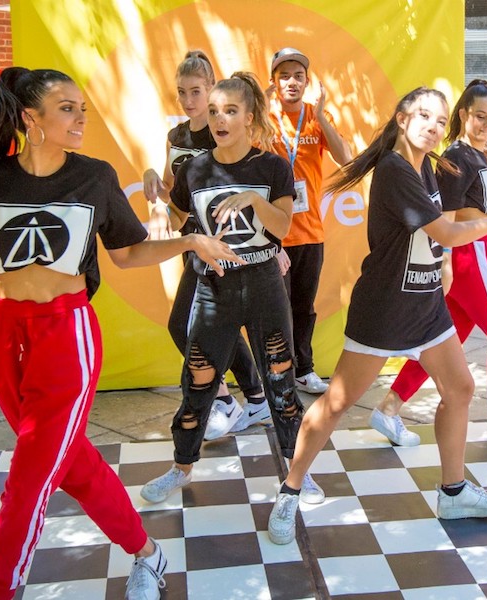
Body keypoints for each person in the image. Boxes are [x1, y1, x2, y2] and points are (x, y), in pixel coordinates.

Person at [0, 67, 240, 600]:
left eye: (82, 107)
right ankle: (148, 554)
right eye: (67, 108)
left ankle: (0, 588)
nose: (81, 117)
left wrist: (190, 243)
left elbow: (129, 253)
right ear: (29, 117)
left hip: (66, 333)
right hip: (0, 332)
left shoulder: (93, 177)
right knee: (70, 463)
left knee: (28, 480)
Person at [266, 86, 487, 546]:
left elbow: (435, 237)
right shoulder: (395, 170)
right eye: (424, 115)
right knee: (336, 403)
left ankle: (454, 490)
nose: (433, 126)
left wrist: (444, 265)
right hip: (384, 309)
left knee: (460, 388)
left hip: (425, 306)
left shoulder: (430, 167)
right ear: (402, 118)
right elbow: (444, 229)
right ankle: (289, 490)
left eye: (440, 121)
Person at [140, 72, 324, 506]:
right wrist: (153, 185)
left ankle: (298, 475)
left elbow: (281, 227)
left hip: (264, 286)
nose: (220, 119)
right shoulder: (196, 168)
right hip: (214, 288)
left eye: (231, 110)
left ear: (250, 117)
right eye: (216, 110)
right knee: (198, 383)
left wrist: (253, 200)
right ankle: (181, 467)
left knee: (281, 383)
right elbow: (180, 218)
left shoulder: (272, 167)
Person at [370, 79, 487, 447]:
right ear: (464, 115)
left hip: (478, 254)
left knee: (441, 342)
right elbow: (446, 215)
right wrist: (452, 257)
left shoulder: (472, 155)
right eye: (480, 116)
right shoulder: (457, 156)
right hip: (472, 256)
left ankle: (389, 407)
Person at [142, 50, 270, 441]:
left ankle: (226, 398)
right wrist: (151, 181)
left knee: (188, 326)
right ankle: (252, 397)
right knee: (206, 326)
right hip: (191, 242)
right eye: (182, 92)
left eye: (196, 91)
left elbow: (255, 183)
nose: (189, 100)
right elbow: (172, 191)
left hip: (224, 243)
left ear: (213, 88)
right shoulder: (176, 136)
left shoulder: (225, 132)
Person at [266, 47, 353, 394]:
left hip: (310, 232)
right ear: (274, 82)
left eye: (298, 75)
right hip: (274, 234)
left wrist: (322, 116)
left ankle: (304, 369)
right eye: (284, 75)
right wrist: (258, 106)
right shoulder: (263, 119)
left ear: (307, 81)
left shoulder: (317, 118)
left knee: (304, 308)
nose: (291, 82)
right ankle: (277, 375)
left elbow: (347, 158)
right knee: (276, 311)